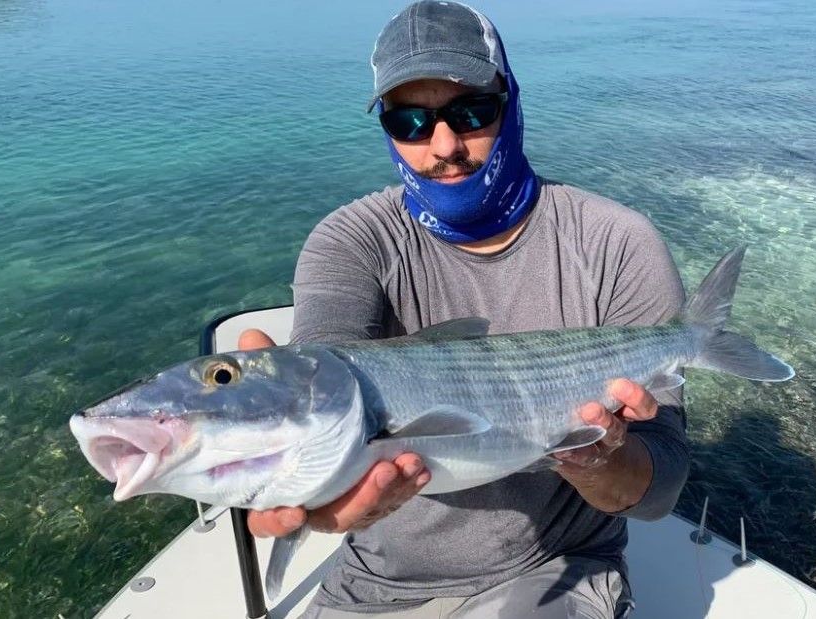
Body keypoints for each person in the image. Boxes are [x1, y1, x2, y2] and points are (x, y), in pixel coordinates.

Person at [239, 2, 689, 617]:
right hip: (372, 582)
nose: (444, 146)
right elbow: (328, 367)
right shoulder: (351, 241)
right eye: (411, 121)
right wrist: (305, 470)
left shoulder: (616, 241)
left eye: (471, 112)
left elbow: (662, 484)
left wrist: (601, 465)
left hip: (553, 566)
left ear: (512, 102)